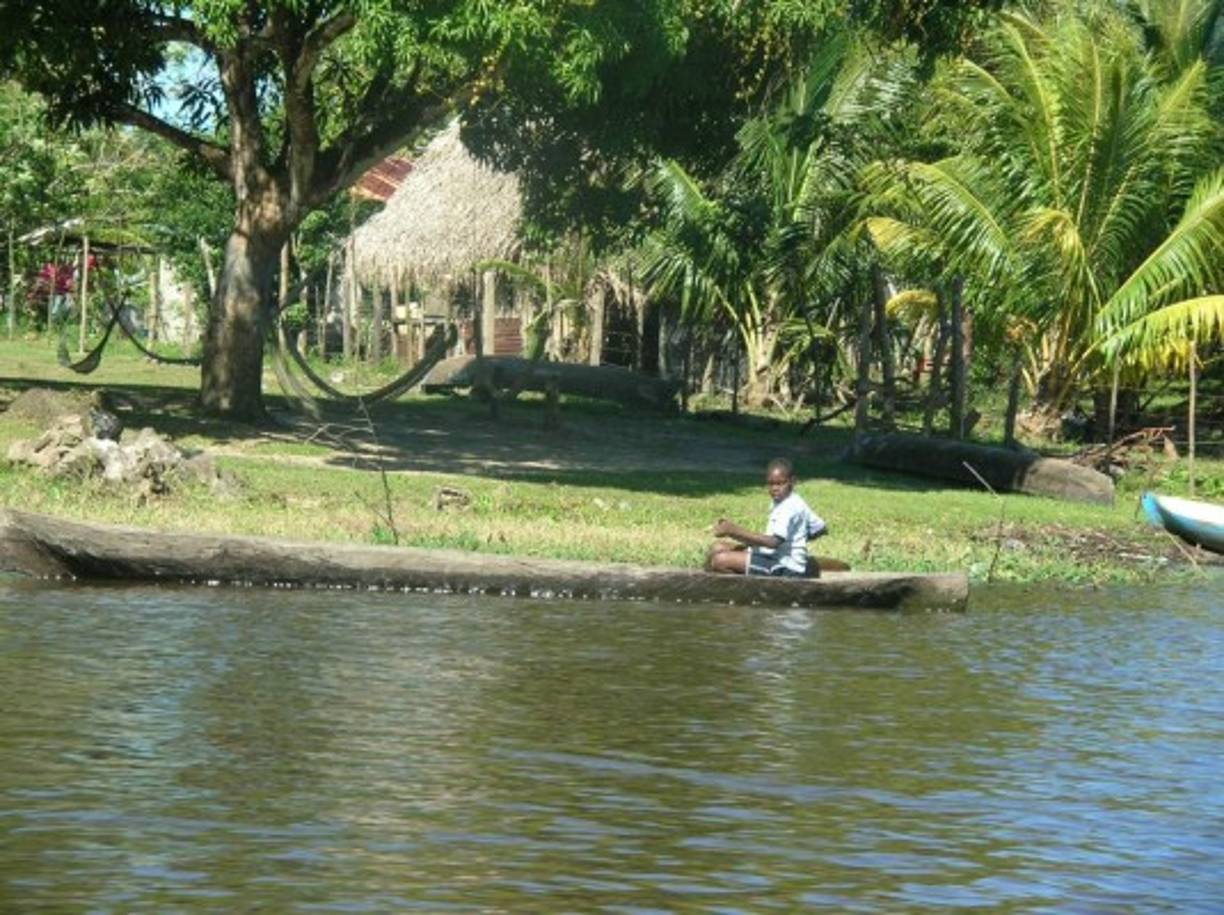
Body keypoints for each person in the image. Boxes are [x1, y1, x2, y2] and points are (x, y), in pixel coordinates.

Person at [706, 457, 826, 577]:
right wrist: (796, 538)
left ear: (792, 481)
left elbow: (773, 542)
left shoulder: (789, 507)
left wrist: (733, 531)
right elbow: (820, 527)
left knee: (720, 561)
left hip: (785, 567)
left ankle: (749, 587)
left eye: (780, 483)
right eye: (771, 483)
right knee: (717, 547)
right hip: (772, 555)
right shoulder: (792, 499)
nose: (775, 488)